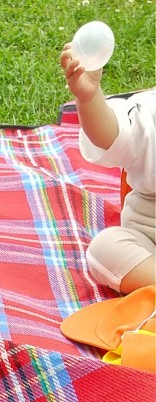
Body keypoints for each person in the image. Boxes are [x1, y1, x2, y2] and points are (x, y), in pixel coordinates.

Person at [60, 46, 155, 295]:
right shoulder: (149, 114)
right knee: (106, 248)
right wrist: (90, 98)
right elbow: (109, 135)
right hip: (150, 240)